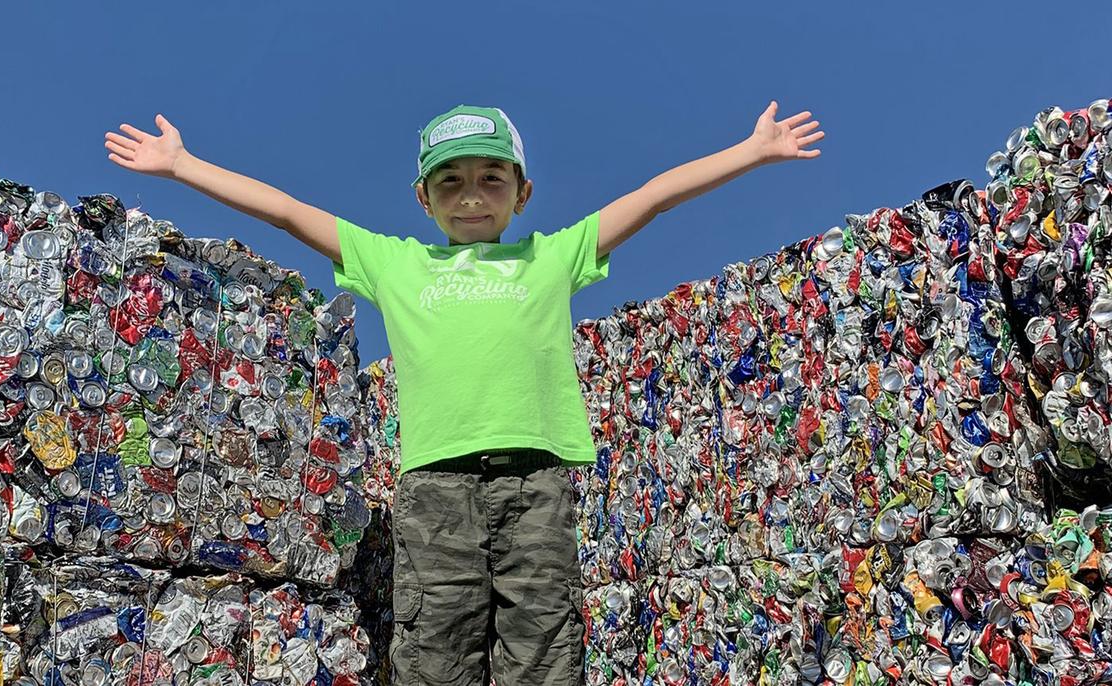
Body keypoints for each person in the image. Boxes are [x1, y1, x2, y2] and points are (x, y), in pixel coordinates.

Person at [104, 101, 823, 685]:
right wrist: (182, 164)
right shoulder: (394, 263)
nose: (471, 195)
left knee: (541, 640)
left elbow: (653, 198)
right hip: (437, 485)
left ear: (522, 193)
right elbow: (287, 211)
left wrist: (750, 151)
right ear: (423, 198)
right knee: (436, 644)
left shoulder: (552, 256)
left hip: (536, 481)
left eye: (491, 178)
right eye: (450, 182)